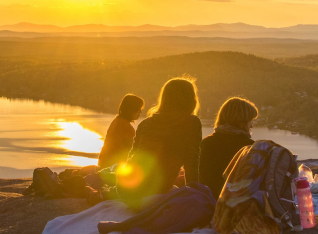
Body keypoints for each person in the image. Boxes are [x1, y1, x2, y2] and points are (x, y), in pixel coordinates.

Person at [117, 77, 202, 209]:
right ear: (190, 99)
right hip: (151, 195)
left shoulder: (145, 123)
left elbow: (130, 159)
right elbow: (191, 163)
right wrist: (194, 196)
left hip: (125, 191)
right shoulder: (192, 123)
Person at [199, 97, 258, 198]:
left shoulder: (206, 143)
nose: (251, 126)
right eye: (249, 121)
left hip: (207, 201)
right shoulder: (249, 147)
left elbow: (201, 178)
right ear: (241, 121)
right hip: (236, 205)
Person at [97, 94, 144, 168]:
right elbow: (133, 151)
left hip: (103, 163)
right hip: (114, 166)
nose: (140, 112)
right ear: (132, 109)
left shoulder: (116, 121)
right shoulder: (127, 127)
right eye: (138, 109)